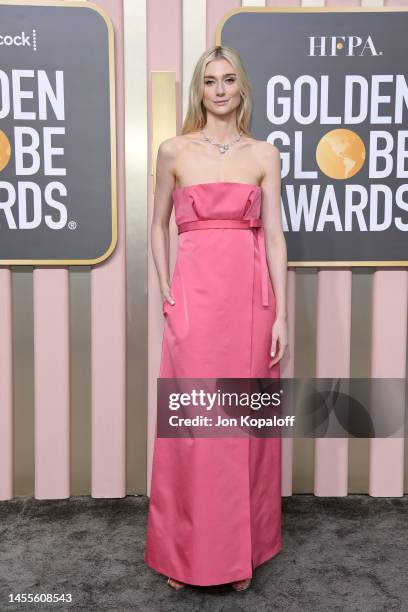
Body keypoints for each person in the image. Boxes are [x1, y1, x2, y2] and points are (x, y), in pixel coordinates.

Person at [145, 44, 288, 592]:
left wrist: (280, 313)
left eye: (229, 79)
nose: (221, 89)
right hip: (195, 299)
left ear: (241, 87)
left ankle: (238, 554)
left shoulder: (264, 154)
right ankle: (182, 551)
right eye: (210, 81)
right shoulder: (173, 151)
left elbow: (274, 236)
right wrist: (164, 284)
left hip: (250, 303)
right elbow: (157, 223)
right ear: (199, 90)